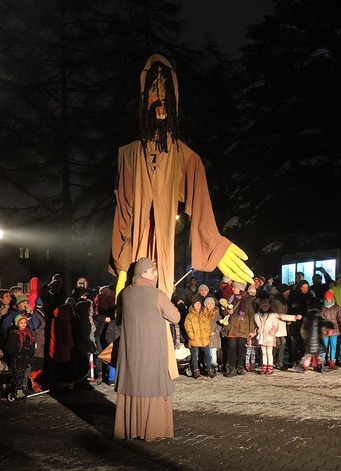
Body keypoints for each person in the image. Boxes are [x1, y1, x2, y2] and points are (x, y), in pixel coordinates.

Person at [108, 54, 253, 301]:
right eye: (154, 90)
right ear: (145, 98)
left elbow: (200, 208)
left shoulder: (185, 158)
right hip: (135, 267)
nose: (161, 99)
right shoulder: (129, 155)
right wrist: (123, 266)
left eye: (166, 91)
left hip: (162, 265)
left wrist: (215, 246)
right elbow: (123, 215)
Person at [115, 257, 181, 441]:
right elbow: (175, 317)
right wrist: (167, 297)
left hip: (130, 352)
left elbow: (118, 317)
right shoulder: (157, 294)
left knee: (134, 384)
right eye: (153, 270)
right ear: (143, 273)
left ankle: (132, 427)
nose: (156, 273)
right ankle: (152, 429)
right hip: (152, 350)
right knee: (153, 385)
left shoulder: (125, 293)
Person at [254, 297, 300, 374]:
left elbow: (278, 322)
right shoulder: (257, 316)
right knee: (263, 352)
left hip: (269, 336)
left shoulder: (273, 315)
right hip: (262, 336)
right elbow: (256, 325)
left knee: (269, 352)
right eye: (263, 306)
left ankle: (270, 365)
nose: (265, 307)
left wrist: (294, 317)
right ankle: (264, 365)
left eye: (267, 306)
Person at [221, 281, 255, 377]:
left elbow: (251, 315)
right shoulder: (229, 298)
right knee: (231, 347)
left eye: (234, 287)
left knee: (241, 347)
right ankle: (232, 368)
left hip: (243, 327)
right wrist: (227, 311)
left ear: (240, 288)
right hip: (232, 327)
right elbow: (223, 310)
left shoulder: (247, 300)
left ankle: (240, 366)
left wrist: (252, 330)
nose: (232, 289)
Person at [5, 314, 36, 398]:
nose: (23, 324)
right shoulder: (14, 333)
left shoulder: (28, 333)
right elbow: (10, 347)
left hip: (27, 358)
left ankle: (24, 387)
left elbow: (31, 344)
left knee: (26, 373)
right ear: (17, 323)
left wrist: (31, 352)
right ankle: (18, 390)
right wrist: (16, 354)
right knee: (18, 374)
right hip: (18, 358)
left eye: (25, 322)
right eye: (21, 323)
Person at [184, 296, 214, 379]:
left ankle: (209, 369)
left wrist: (207, 333)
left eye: (199, 303)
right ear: (193, 305)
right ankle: (196, 370)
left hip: (204, 338)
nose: (198, 305)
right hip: (195, 338)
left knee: (208, 354)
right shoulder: (190, 315)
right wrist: (192, 336)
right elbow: (187, 326)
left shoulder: (204, 314)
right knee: (195, 355)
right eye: (196, 303)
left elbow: (208, 325)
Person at [320, 290, 341, 370]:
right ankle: (322, 362)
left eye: (329, 299)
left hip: (334, 329)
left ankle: (332, 362)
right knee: (324, 346)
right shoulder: (322, 307)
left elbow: (340, 318)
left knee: (333, 346)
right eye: (327, 299)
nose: (328, 300)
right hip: (325, 329)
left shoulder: (336, 307)